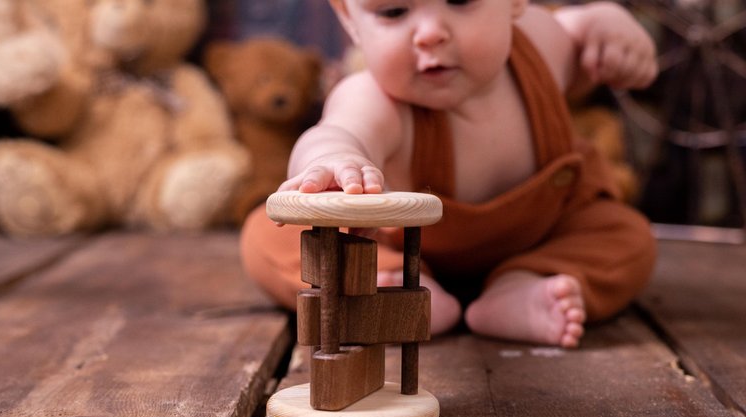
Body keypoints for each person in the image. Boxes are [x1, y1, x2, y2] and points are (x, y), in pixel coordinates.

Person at [240, 0, 658, 348]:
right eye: (394, 12)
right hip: (408, 253)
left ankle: (525, 286)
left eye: (459, 0)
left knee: (628, 237)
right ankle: (400, 288)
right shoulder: (374, 99)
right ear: (350, 19)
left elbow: (581, 29)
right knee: (268, 235)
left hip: (546, 234)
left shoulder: (544, 45)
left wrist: (610, 25)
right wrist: (332, 161)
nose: (429, 34)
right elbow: (335, 132)